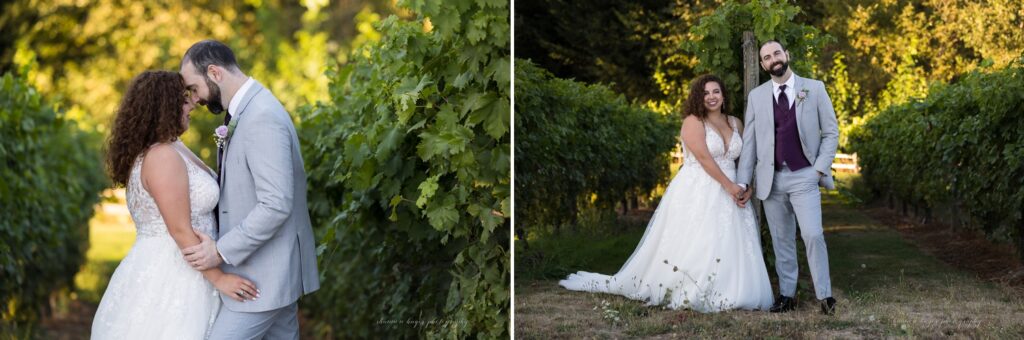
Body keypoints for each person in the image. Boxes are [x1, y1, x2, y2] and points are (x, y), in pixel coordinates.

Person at [559, 75, 773, 312]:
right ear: (698, 97)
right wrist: (729, 186)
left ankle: (734, 290)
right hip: (700, 188)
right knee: (701, 239)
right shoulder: (693, 121)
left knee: (732, 240)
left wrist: (745, 186)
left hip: (733, 191)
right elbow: (704, 159)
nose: (711, 97)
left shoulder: (735, 123)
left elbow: (744, 159)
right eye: (705, 93)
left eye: (716, 91)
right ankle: (692, 289)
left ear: (723, 95)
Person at [92, 70, 258, 339]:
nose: (193, 104)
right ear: (164, 106)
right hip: (174, 272)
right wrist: (219, 278)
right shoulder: (161, 156)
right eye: (183, 99)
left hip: (188, 266)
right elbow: (180, 230)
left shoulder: (172, 146)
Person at [177, 39, 320, 339]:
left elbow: (276, 203)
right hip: (267, 271)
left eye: (194, 87)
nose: (195, 99)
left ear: (214, 73)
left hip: (263, 276)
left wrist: (220, 251)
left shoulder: (261, 116)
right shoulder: (249, 110)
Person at [735, 40, 840, 315]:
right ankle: (787, 296)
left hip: (805, 175)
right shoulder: (757, 96)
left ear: (786, 55)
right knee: (781, 240)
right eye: (767, 57)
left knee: (813, 235)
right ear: (763, 65)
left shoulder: (814, 88)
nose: (774, 60)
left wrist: (819, 169)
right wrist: (744, 181)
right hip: (771, 180)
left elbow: (831, 132)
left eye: (777, 53)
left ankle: (825, 296)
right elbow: (750, 142)